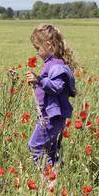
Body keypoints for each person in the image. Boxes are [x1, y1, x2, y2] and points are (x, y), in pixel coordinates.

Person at [25, 24, 77, 170]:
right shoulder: (51, 64)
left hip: (51, 117)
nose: (37, 53)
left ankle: (48, 181)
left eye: (38, 49)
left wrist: (39, 80)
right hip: (48, 115)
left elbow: (57, 87)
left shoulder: (57, 66)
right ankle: (55, 182)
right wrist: (37, 83)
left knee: (35, 146)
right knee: (51, 151)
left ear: (48, 45)